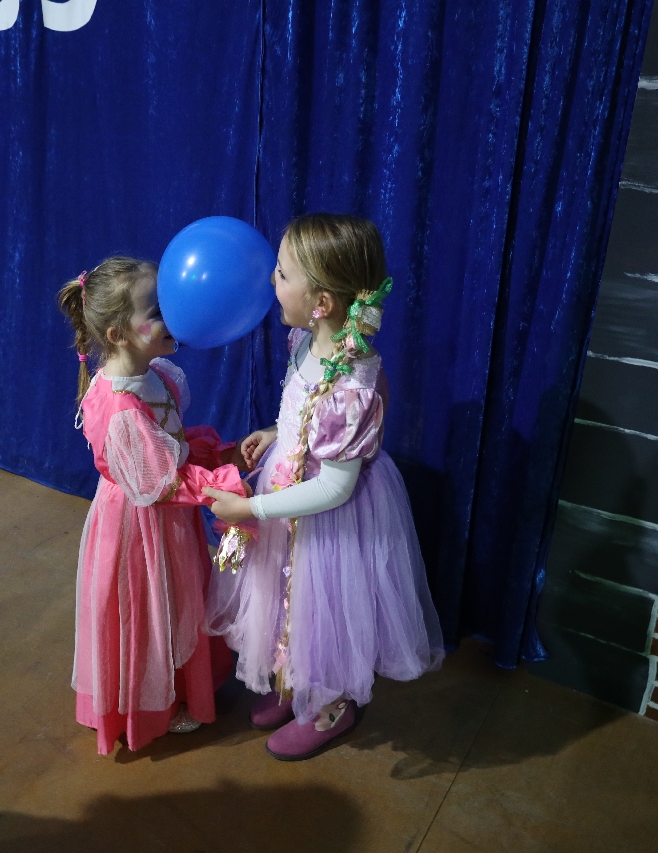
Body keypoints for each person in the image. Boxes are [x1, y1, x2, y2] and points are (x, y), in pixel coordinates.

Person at [205, 214, 444, 761]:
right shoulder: (305, 340)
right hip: (289, 493)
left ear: (322, 302)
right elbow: (303, 413)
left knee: (322, 610)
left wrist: (252, 507)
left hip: (330, 518)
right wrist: (277, 433)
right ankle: (294, 680)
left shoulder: (353, 384)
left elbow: (335, 487)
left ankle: (330, 703)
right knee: (285, 602)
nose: (271, 280)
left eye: (283, 273)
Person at [58, 257, 247, 755]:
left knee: (176, 601)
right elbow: (161, 481)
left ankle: (181, 688)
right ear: (119, 334)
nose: (175, 315)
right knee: (146, 608)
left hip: (169, 519)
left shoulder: (157, 373)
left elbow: (173, 447)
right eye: (158, 310)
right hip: (137, 526)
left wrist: (222, 453)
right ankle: (146, 706)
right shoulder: (120, 408)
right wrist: (220, 483)